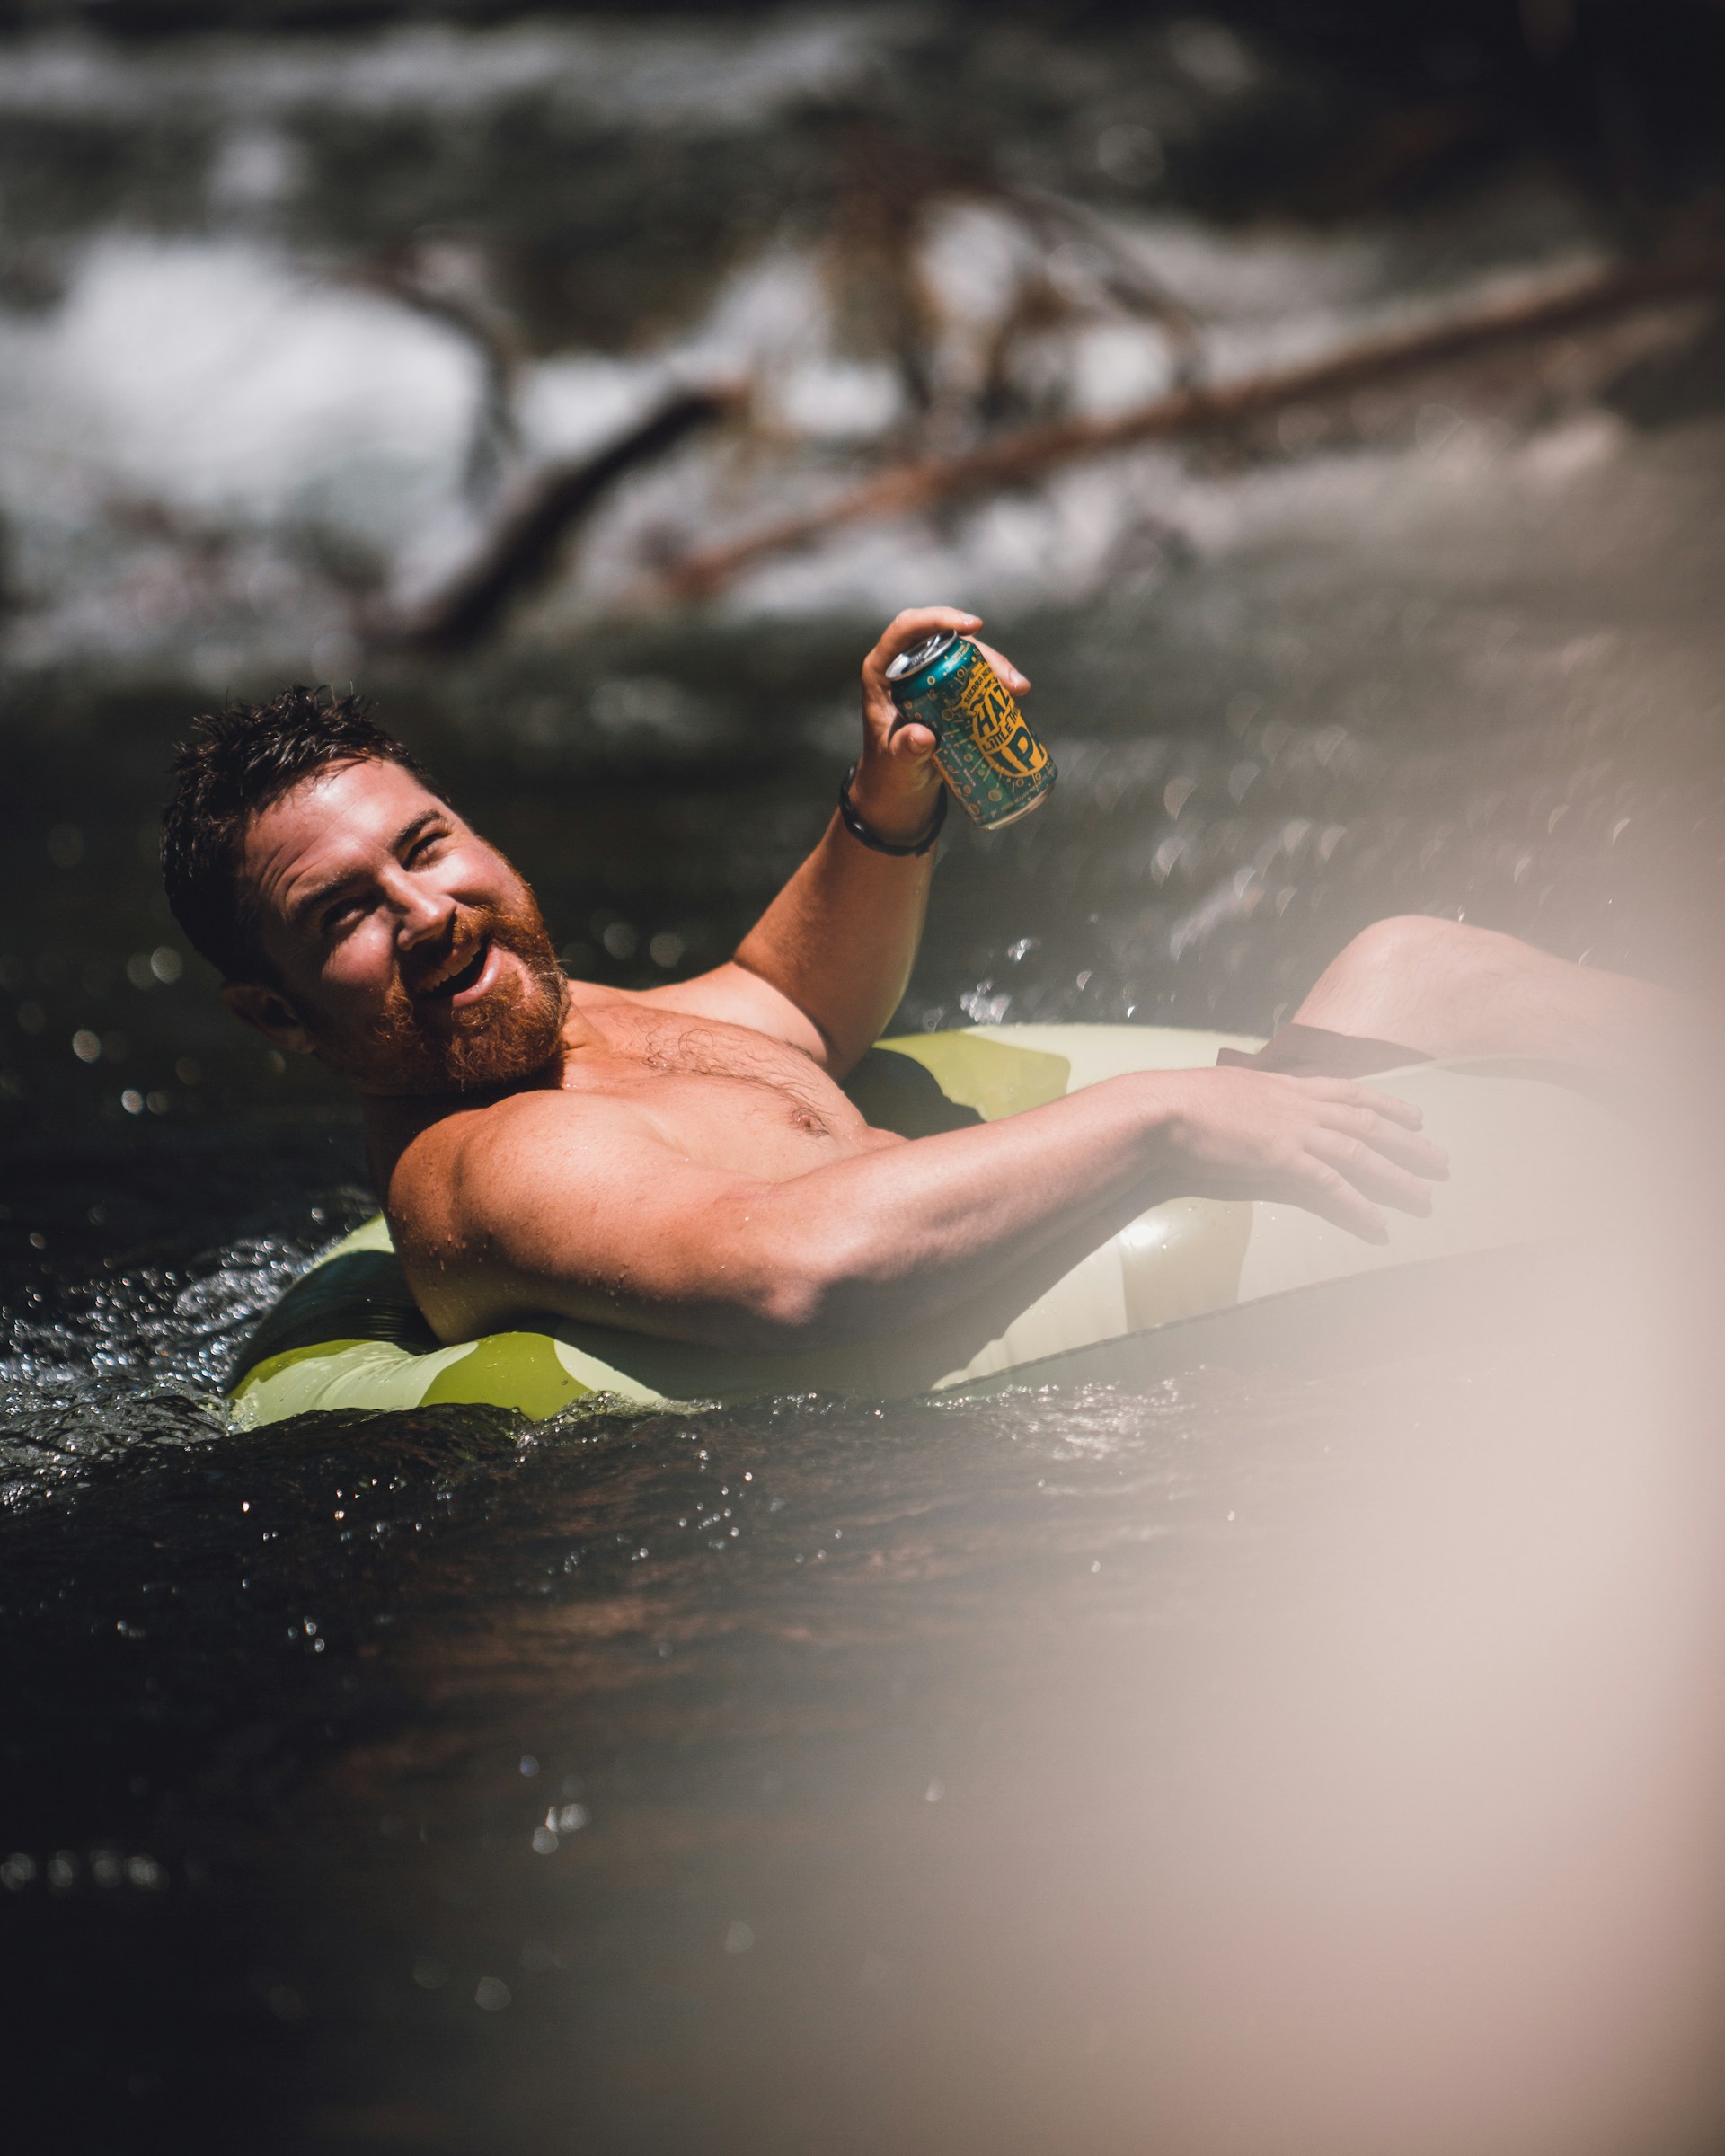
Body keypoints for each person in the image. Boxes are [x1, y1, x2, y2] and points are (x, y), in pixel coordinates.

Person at [161, 605, 1669, 1353]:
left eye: (429, 845)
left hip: (1102, 1234)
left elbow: (785, 1009)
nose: (426, 908)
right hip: (1070, 1339)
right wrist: (1159, 1121)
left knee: (1417, 960)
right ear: (275, 1011)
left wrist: (891, 802)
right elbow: (791, 1270)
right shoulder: (487, 1165)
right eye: (344, 913)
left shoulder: (567, 1033)